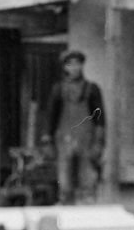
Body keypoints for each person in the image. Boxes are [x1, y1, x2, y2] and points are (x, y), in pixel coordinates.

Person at [43, 49, 105, 206]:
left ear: (82, 65)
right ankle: (66, 203)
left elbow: (100, 118)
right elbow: (51, 116)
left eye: (77, 64)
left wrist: (99, 142)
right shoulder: (58, 90)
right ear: (65, 68)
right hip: (64, 138)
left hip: (87, 139)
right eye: (70, 64)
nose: (74, 68)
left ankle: (88, 204)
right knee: (64, 178)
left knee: (88, 175)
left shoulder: (92, 89)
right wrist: (47, 139)